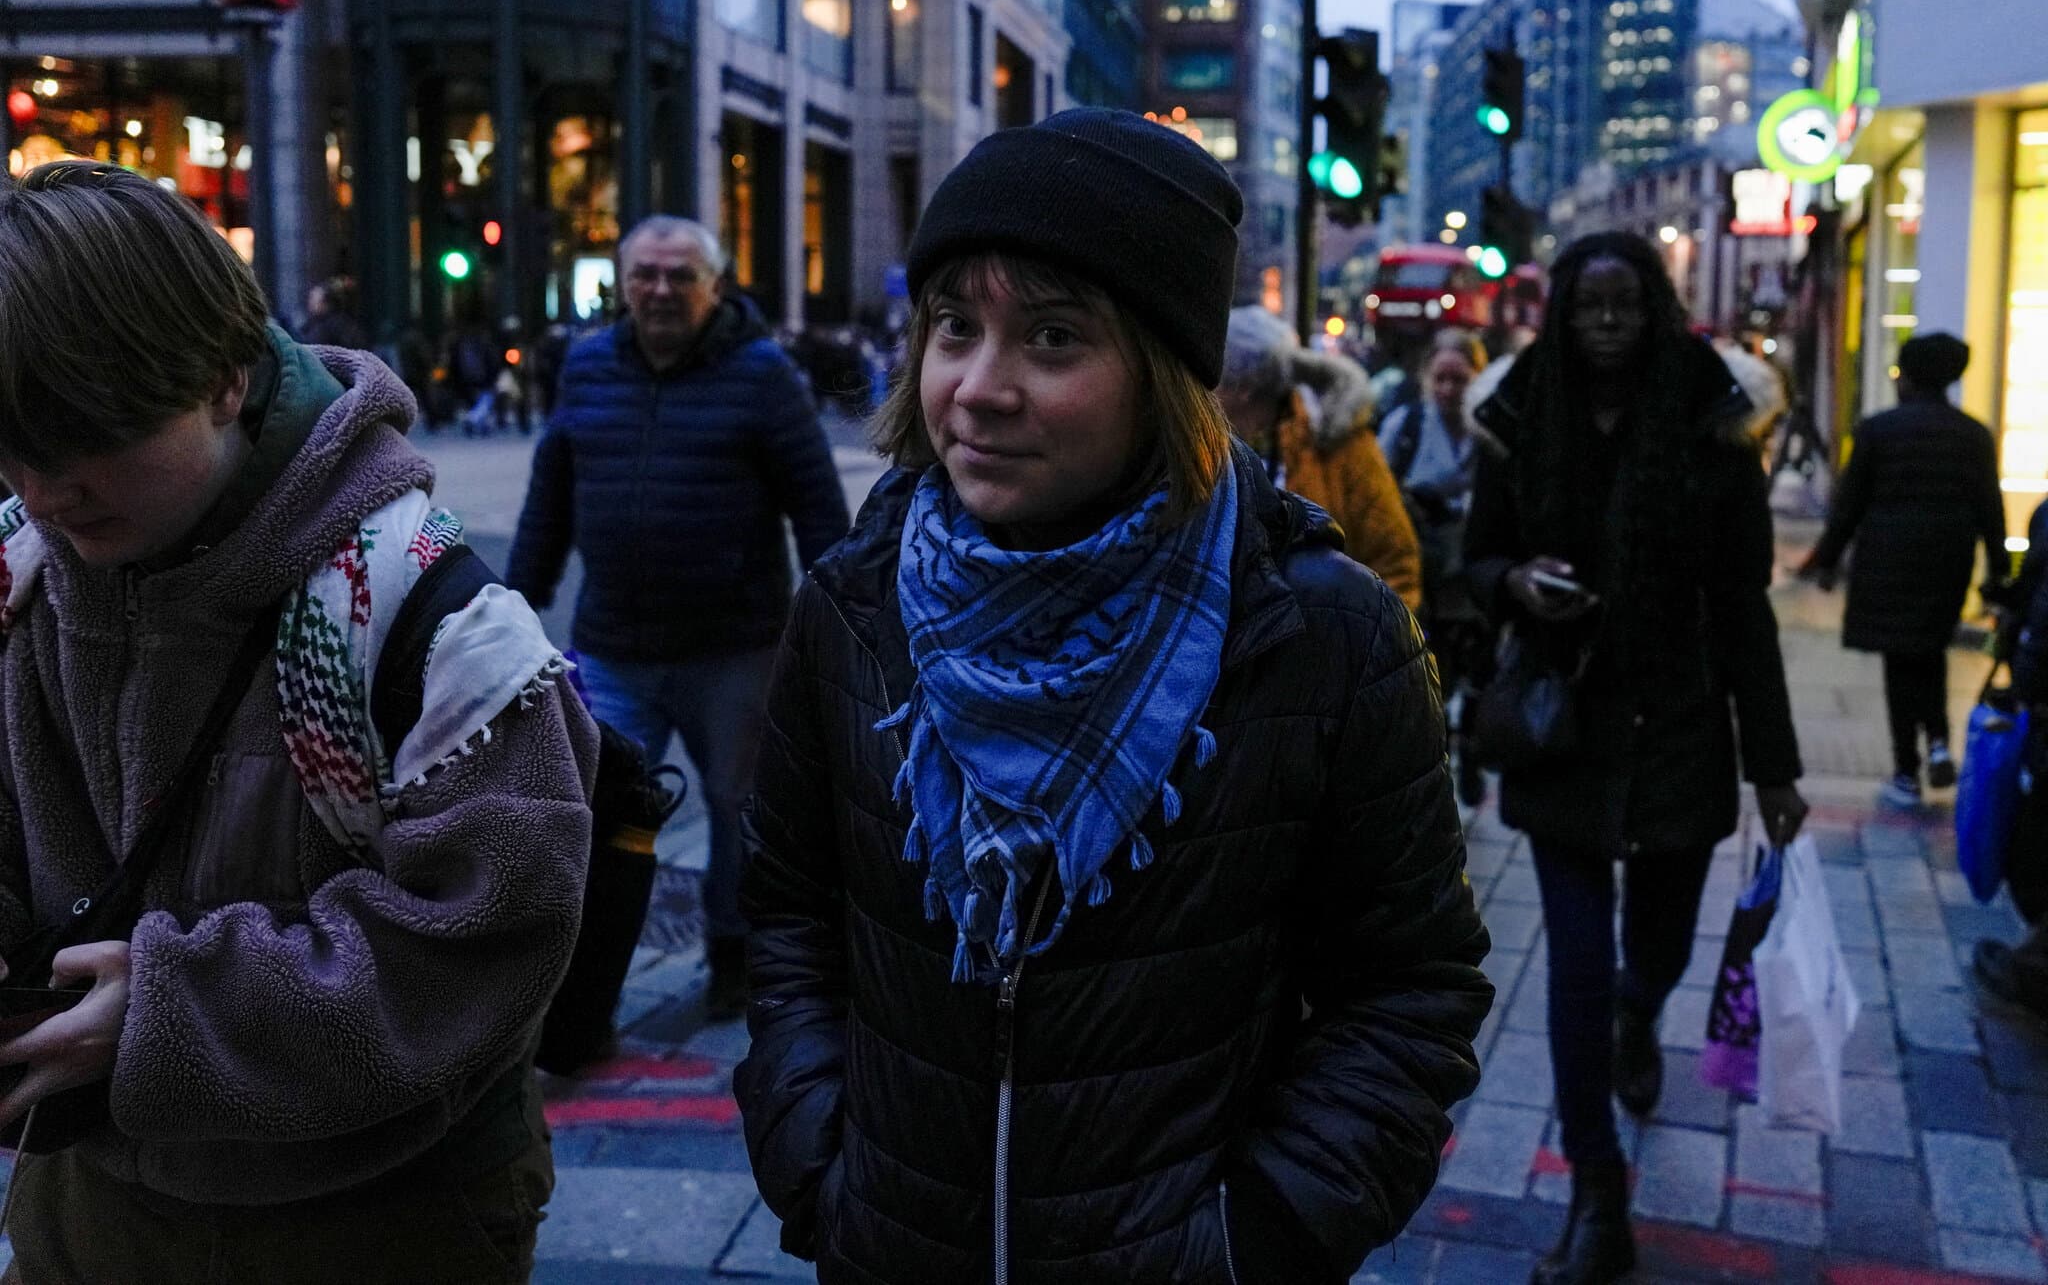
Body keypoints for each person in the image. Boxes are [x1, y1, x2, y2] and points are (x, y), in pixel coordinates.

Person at [733, 108, 1492, 1285]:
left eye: (1049, 337)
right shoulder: (850, 607)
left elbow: (1407, 989)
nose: (978, 389)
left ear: (1161, 370)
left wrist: (1252, 1243)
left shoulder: (1323, 635)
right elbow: (787, 914)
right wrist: (820, 1161)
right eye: (952, 327)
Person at [0, 161, 597, 1279]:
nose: (48, 489)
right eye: (17, 448)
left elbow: (492, 931)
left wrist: (167, 1011)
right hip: (90, 1204)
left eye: (93, 438)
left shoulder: (428, 612)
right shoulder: (22, 581)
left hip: (382, 1213)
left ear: (225, 380)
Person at [1465, 231, 1807, 1285]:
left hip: (1679, 728)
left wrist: (1775, 767)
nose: (1604, 324)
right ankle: (1594, 1195)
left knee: (1651, 949)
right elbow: (1473, 559)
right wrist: (1513, 582)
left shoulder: (1710, 428)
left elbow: (1744, 605)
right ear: (1561, 316)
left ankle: (1639, 1010)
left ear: (1652, 311)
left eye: (1622, 306)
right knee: (1569, 967)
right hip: (1563, 728)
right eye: (1586, 308)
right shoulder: (1522, 417)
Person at [506, 215, 850, 1020]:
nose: (660, 290)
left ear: (716, 286)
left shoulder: (763, 374)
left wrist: (837, 623)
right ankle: (587, 980)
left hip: (734, 649)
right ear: (623, 285)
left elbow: (818, 507)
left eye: (680, 276)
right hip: (614, 644)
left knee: (739, 807)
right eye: (645, 275)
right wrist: (513, 610)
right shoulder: (587, 367)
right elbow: (548, 500)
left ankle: (735, 953)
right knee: (592, 807)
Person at [1799, 332, 2006, 809]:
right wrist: (1997, 575)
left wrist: (1827, 562)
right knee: (1930, 651)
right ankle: (1937, 739)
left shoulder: (1878, 430)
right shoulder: (1973, 435)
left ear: (1908, 377)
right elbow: (1989, 510)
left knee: (1900, 662)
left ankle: (1906, 769)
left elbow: (1848, 504)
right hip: (1947, 558)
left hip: (1888, 559)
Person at [1218, 304, 1424, 610]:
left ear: (1244, 388)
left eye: (1216, 381)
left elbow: (1395, 564)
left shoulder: (1340, 441)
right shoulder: (1210, 448)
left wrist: (1355, 651)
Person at [1380, 338, 1488, 805]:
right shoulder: (1405, 426)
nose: (1448, 389)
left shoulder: (1489, 431)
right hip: (1424, 574)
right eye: (1440, 378)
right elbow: (1379, 495)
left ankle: (1475, 751)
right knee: (1432, 677)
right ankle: (1438, 764)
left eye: (1459, 379)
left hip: (1474, 577)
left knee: (1480, 673)